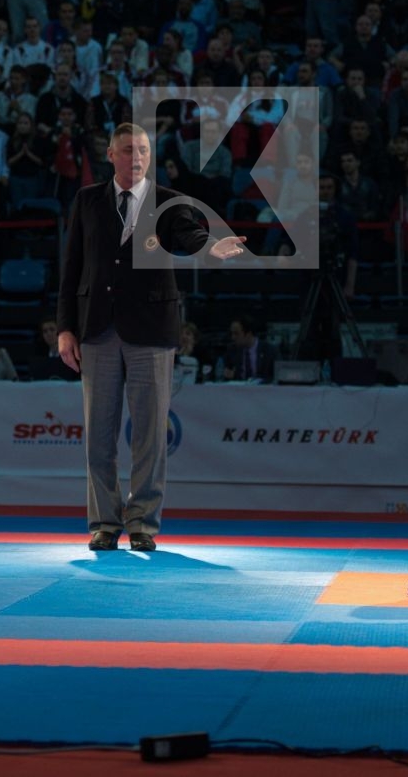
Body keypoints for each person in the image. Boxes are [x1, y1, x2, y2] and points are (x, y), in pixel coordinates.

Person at [56, 122, 246, 551]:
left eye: (142, 150)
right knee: (99, 435)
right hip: (97, 329)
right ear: (111, 154)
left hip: (151, 330)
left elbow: (187, 231)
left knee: (150, 435)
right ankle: (104, 522)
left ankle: (142, 522)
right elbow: (71, 270)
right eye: (127, 150)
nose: (136, 157)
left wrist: (209, 245)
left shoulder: (168, 201)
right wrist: (66, 327)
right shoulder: (87, 201)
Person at [219, 314, 277, 382]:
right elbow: (227, 375)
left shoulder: (270, 350)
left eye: (236, 334)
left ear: (248, 334)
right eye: (232, 333)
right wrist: (228, 374)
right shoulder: (231, 350)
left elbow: (277, 377)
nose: (233, 337)